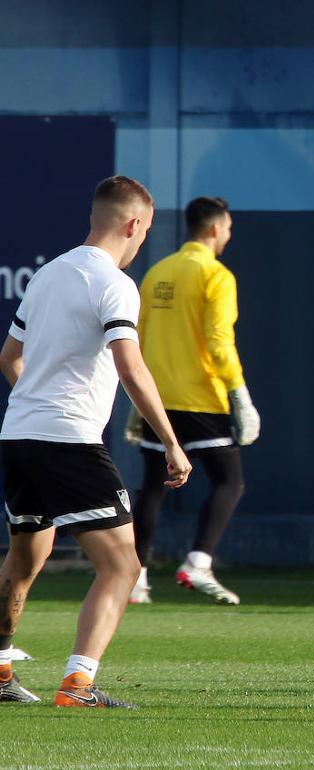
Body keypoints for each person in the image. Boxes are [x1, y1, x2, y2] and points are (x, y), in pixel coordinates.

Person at [0, 176, 191, 708]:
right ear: (134, 224)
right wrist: (171, 442)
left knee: (22, 562)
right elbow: (130, 365)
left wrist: (39, 399)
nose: (144, 239)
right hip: (70, 442)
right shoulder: (113, 283)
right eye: (146, 229)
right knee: (123, 566)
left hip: (19, 436)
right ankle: (78, 683)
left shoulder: (46, 275)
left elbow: (8, 359)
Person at [126, 196, 259, 606]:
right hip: (201, 398)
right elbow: (219, 340)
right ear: (216, 228)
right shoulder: (215, 275)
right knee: (229, 481)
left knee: (152, 486)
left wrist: (138, 401)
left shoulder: (157, 272)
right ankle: (198, 562)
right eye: (229, 228)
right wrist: (239, 394)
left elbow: (138, 338)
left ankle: (135, 577)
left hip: (157, 399)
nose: (229, 235)